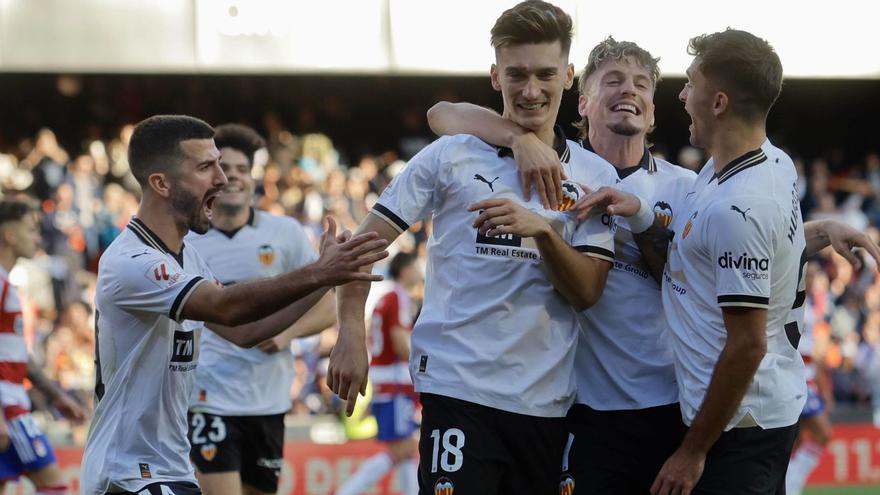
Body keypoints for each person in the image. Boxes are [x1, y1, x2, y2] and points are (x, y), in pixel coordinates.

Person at [327, 2, 619, 493]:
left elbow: (588, 291)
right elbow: (364, 245)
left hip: (546, 400)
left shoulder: (594, 177)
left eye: (546, 74)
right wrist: (350, 331)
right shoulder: (450, 154)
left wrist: (543, 232)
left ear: (569, 75)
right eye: (516, 75)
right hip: (457, 387)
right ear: (494, 77)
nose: (530, 90)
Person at [427, 37, 695, 494]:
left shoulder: (687, 188)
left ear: (652, 111)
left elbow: (696, 276)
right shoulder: (555, 166)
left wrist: (640, 218)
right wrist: (518, 138)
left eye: (641, 84)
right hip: (578, 406)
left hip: (666, 402)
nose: (628, 90)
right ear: (583, 100)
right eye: (612, 80)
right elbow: (442, 115)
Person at [80, 115, 388, 495]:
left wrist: (326, 278)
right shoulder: (133, 261)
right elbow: (227, 307)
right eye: (207, 167)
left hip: (169, 467)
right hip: (129, 474)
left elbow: (243, 333)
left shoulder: (189, 257)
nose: (223, 180)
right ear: (161, 183)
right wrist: (319, 273)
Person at [576, 29, 807, 494]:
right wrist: (642, 214)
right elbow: (727, 250)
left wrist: (693, 450)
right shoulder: (748, 170)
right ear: (581, 101)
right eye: (614, 80)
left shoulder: (735, 202)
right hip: (629, 414)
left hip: (737, 423)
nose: (682, 94)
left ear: (717, 102)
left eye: (691, 84)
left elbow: (747, 345)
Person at [184, 124, 336, 495]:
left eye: (241, 169)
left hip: (268, 397)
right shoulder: (187, 239)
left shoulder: (285, 233)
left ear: (253, 178)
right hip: (207, 395)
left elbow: (327, 306)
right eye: (224, 169)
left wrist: (286, 334)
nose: (232, 177)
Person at [0, 199, 85, 495]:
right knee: (54, 484)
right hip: (7, 408)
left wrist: (57, 396)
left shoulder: (8, 285)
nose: (37, 238)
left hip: (12, 403)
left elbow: (19, 356)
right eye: (30, 229)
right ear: (10, 235)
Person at [336, 252, 421, 495]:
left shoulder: (386, 297)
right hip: (396, 380)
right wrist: (424, 367)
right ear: (405, 270)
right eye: (415, 266)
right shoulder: (399, 297)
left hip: (384, 377)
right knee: (402, 449)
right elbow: (399, 342)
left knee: (404, 450)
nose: (419, 272)